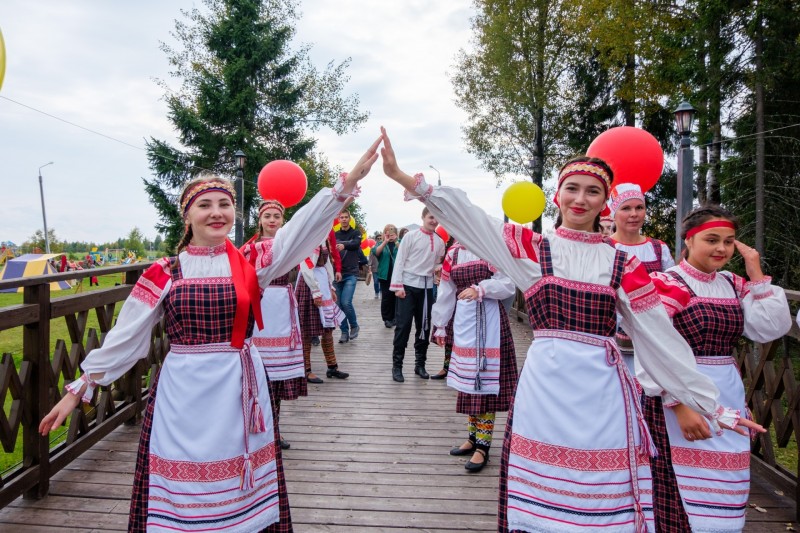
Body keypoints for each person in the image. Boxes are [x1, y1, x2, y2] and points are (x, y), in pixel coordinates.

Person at [379, 126, 764, 533]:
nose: (581, 199)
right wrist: (406, 178)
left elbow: (659, 338)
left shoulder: (623, 263)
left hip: (602, 390)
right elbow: (470, 218)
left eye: (593, 192)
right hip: (545, 387)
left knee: (602, 489)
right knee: (542, 496)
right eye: (573, 189)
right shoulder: (532, 247)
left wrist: (710, 404)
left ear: (605, 202)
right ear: (557, 195)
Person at [38, 139, 379, 532]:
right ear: (187, 216)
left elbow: (298, 233)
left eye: (224, 205)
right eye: (205, 205)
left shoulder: (254, 261)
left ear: (235, 212)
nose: (217, 213)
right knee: (185, 487)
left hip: (238, 388)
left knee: (239, 483)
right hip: (183, 392)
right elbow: (125, 337)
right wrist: (78, 389)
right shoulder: (165, 271)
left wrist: (342, 188)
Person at [643, 205, 791, 532]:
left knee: (728, 489)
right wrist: (678, 404)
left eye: (729, 241)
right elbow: (650, 347)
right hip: (680, 395)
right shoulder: (668, 283)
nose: (721, 249)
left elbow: (770, 328)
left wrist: (755, 271)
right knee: (680, 494)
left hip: (728, 393)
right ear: (689, 240)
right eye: (712, 240)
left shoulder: (730, 283)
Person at [242, 192, 353, 451]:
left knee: (276, 376)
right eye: (267, 216)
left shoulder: (289, 244)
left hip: (281, 306)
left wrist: (341, 201)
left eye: (277, 216)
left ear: (283, 220)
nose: (272, 220)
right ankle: (252, 430)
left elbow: (316, 226)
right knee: (257, 373)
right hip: (257, 308)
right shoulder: (248, 247)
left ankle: (275, 430)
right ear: (260, 219)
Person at [431, 240, 517, 472]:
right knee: (468, 382)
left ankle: (483, 446)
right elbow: (447, 290)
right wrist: (440, 324)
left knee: (484, 383)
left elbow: (509, 284)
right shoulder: (453, 253)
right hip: (465, 322)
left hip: (489, 323)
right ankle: (472, 437)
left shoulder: (490, 247)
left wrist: (482, 289)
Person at [605, 182, 675, 376]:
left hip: (655, 336)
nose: (634, 214)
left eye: (639, 207)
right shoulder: (604, 248)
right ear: (614, 212)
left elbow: (671, 289)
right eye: (626, 208)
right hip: (616, 337)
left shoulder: (658, 248)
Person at [389, 207, 445, 382]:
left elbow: (437, 263)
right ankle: (397, 366)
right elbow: (400, 261)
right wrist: (398, 286)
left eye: (436, 218)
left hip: (427, 287)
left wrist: (438, 270)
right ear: (423, 217)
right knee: (403, 326)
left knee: (424, 327)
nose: (433, 221)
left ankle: (420, 364)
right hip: (407, 286)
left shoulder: (439, 241)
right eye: (430, 217)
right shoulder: (410, 236)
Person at [296, 236, 350, 383]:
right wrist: (315, 291)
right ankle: (305, 370)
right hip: (309, 283)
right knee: (307, 330)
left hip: (322, 282)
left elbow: (327, 264)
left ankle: (332, 367)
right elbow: (306, 266)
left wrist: (330, 286)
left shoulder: (323, 237)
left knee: (328, 329)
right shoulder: (310, 238)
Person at [334, 209, 363, 343]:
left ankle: (354, 325)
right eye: (342, 217)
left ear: (349, 219)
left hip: (351, 272)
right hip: (337, 272)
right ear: (339, 219)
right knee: (339, 305)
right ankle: (344, 332)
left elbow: (355, 245)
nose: (344, 219)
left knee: (346, 302)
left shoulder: (355, 233)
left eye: (346, 217)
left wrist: (343, 245)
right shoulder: (335, 234)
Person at [374, 223, 400, 327]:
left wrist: (397, 241)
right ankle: (387, 318)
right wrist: (385, 241)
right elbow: (376, 252)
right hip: (385, 275)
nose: (390, 235)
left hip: (397, 275)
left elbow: (406, 252)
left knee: (396, 297)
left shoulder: (400, 243)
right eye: (388, 233)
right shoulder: (380, 244)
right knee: (386, 297)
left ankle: (395, 317)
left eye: (392, 233)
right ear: (384, 233)